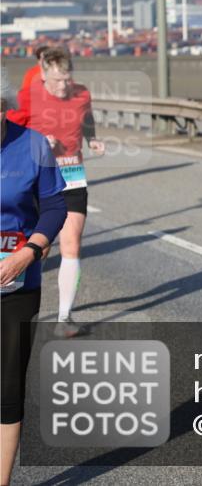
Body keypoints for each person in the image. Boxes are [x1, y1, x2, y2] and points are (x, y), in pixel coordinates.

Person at [6, 47, 104, 338]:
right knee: (41, 248)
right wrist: (37, 140)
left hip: (72, 176)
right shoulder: (28, 95)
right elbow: (12, 128)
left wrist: (93, 139)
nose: (64, 87)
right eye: (57, 81)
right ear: (44, 74)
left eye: (68, 80)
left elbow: (86, 118)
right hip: (36, 179)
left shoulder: (82, 93)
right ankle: (23, 299)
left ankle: (64, 318)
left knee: (72, 244)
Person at [1, 67, 68, 485]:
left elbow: (56, 206)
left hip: (17, 283)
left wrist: (30, 252)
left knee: (6, 387)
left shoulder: (33, 146)